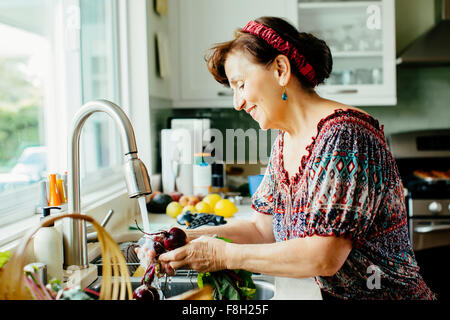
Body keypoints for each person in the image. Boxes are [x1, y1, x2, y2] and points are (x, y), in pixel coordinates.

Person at [140, 16, 436, 300]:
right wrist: (187, 238)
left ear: (281, 69)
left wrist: (223, 255)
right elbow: (261, 230)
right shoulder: (286, 140)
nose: (238, 102)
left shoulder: (346, 135)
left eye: (240, 84)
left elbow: (324, 257)